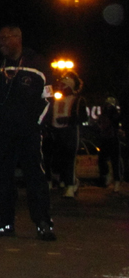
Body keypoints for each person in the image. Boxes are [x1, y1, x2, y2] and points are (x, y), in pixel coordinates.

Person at [0, 24, 56, 241]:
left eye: (6, 38)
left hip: (29, 133)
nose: (1, 43)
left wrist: (37, 125)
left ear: (18, 38)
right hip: (2, 135)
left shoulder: (38, 65)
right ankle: (5, 223)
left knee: (35, 178)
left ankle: (43, 223)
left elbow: (49, 98)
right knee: (2, 178)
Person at [44, 70, 85, 198]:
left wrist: (68, 120)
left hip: (69, 132)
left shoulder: (77, 100)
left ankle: (70, 187)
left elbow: (83, 117)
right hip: (55, 132)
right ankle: (63, 181)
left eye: (63, 85)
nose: (60, 87)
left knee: (69, 159)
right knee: (56, 159)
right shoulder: (55, 99)